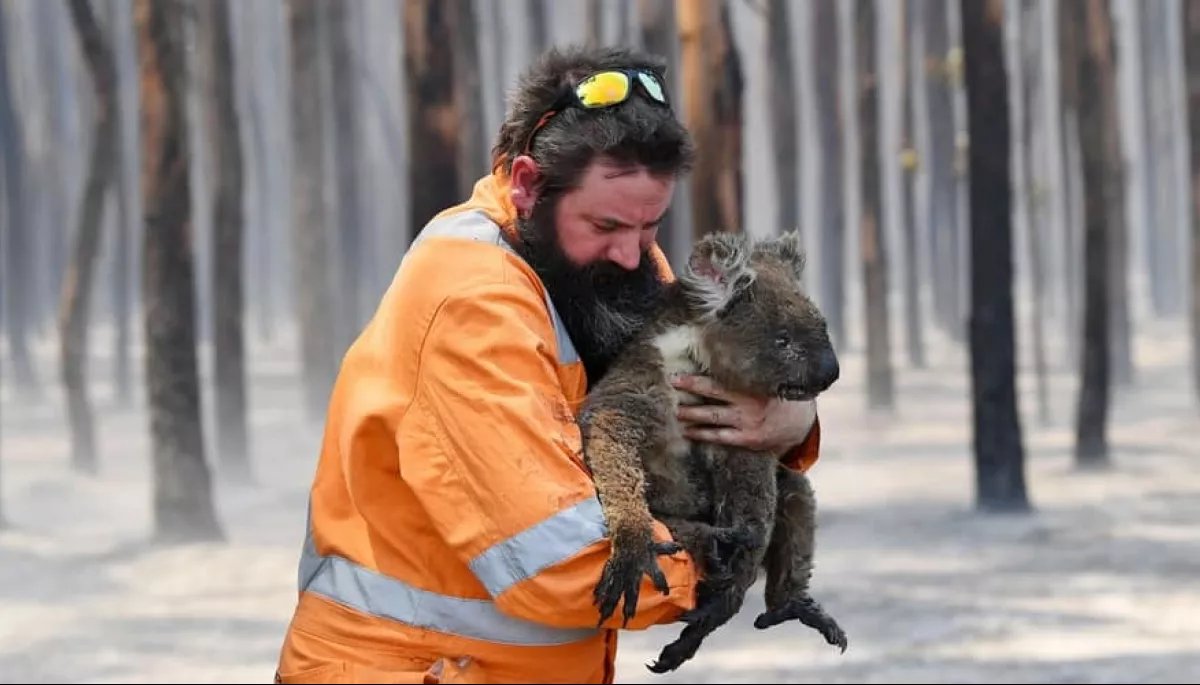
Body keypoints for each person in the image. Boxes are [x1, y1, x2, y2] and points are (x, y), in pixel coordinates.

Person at [273, 44, 825, 685]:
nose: (632, 253)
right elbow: (559, 563)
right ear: (528, 184)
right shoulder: (471, 301)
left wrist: (793, 420)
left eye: (651, 227)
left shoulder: (610, 271)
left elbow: (713, 405)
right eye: (607, 224)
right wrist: (728, 556)